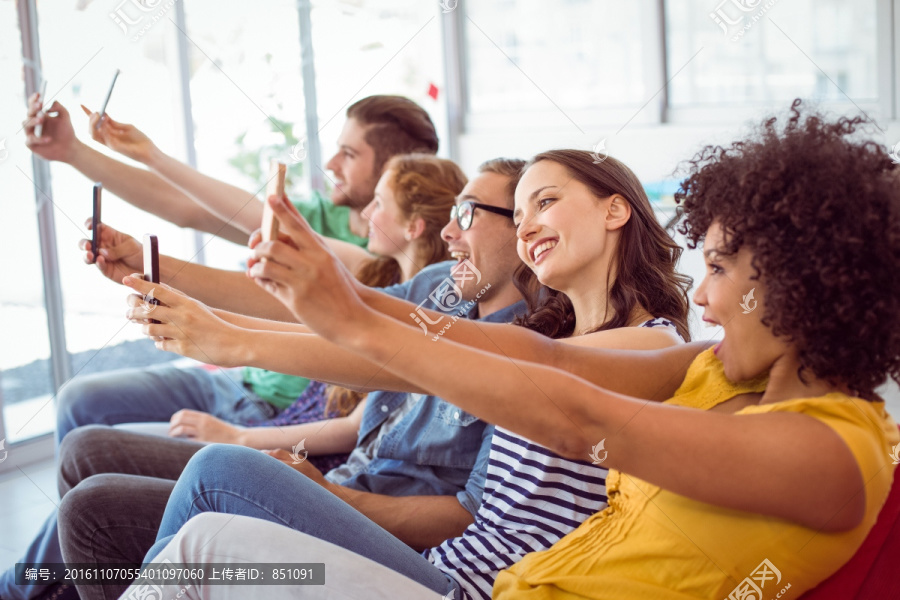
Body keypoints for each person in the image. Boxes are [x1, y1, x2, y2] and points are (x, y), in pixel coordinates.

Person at [131, 100, 900, 599]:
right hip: (491, 586)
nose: (704, 296)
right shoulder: (712, 372)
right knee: (206, 529)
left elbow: (580, 418)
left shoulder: (830, 452)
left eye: (724, 270)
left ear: (805, 278)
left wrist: (356, 320)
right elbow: (545, 364)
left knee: (208, 522)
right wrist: (353, 304)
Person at [110, 149, 692, 600]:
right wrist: (319, 301)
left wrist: (239, 341)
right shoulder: (553, 335)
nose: (526, 228)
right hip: (448, 569)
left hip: (473, 587)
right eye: (517, 216)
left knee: (219, 475)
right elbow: (414, 328)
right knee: (194, 517)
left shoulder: (650, 344)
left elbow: (437, 353)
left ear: (615, 209)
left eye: (544, 203)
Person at [40, 158, 529, 600]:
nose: (448, 231)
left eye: (467, 214)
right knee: (90, 507)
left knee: (208, 471)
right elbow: (337, 318)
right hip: (339, 479)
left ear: (523, 225)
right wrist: (161, 275)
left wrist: (324, 491)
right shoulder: (445, 287)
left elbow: (471, 515)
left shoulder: (534, 347)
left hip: (377, 526)